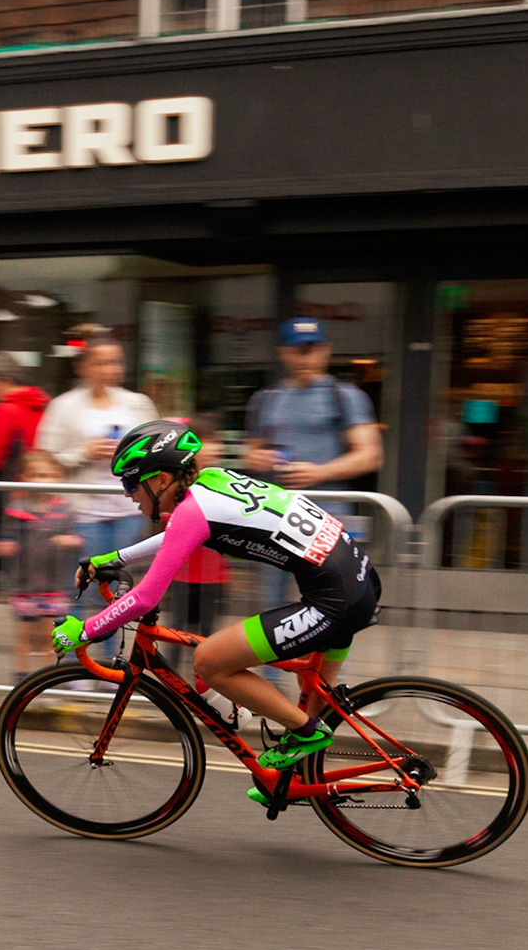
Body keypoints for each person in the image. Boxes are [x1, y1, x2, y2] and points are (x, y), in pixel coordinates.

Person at [51, 420, 382, 798]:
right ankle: (295, 783)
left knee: (210, 660)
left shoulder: (194, 511)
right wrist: (114, 557)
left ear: (160, 480)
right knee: (315, 695)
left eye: (130, 483)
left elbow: (144, 598)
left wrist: (86, 629)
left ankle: (307, 735)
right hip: (358, 578)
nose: (128, 495)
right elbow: (179, 533)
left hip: (334, 598)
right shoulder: (211, 481)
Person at [242, 317, 385, 618]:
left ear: (326, 351)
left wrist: (319, 473)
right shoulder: (267, 399)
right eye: (297, 349)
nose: (305, 356)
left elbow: (370, 454)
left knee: (333, 600)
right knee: (273, 604)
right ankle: (270, 665)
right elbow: (250, 451)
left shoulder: (345, 396)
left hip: (327, 517)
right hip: (276, 514)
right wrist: (260, 458)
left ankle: (325, 667)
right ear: (283, 352)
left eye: (312, 349)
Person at [34, 336, 159, 559]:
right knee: (87, 581)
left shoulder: (138, 403)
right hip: (83, 512)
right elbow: (44, 458)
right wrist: (84, 453)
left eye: (116, 362)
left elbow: (159, 449)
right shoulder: (63, 406)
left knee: (121, 581)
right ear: (83, 367)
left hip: (130, 508)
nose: (110, 369)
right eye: (101, 363)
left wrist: (135, 454)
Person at [0, 449, 82, 681]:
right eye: (35, 475)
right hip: (24, 583)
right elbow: (5, 537)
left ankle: (49, 674)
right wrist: (4, 545)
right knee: (24, 634)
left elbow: (77, 538)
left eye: (47, 475)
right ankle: (21, 675)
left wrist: (70, 541)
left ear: (59, 477)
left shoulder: (64, 509)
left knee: (48, 635)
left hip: (54, 583)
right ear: (24, 478)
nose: (41, 480)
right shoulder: (17, 508)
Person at [168, 413, 229, 641]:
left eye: (216, 441)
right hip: (182, 575)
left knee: (208, 637)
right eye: (207, 442)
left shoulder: (225, 481)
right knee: (175, 636)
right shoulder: (179, 484)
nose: (215, 448)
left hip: (213, 576)